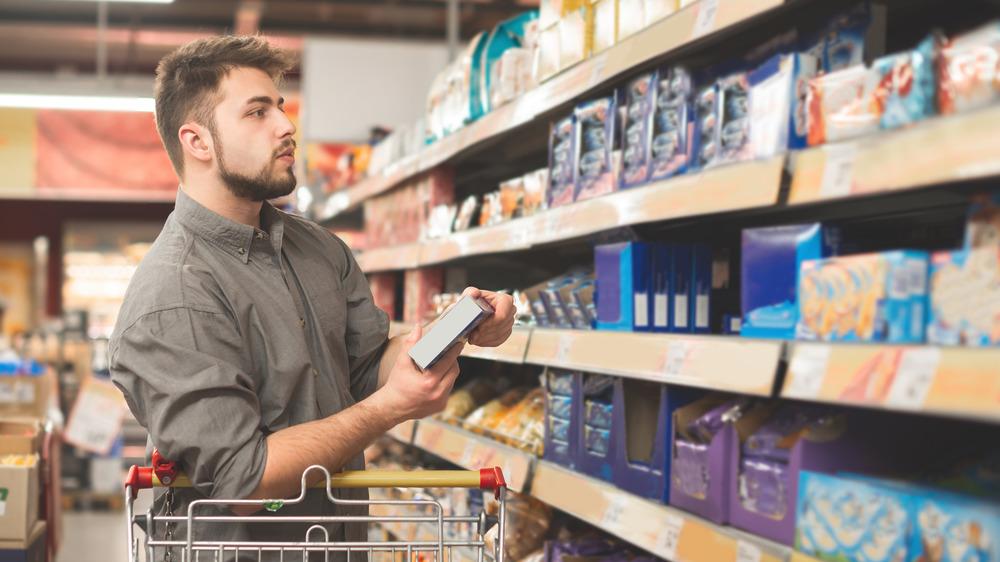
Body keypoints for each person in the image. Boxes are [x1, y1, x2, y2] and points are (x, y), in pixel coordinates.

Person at [108, 35, 515, 559]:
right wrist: (388, 411)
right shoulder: (174, 295)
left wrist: (455, 332)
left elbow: (367, 366)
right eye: (257, 113)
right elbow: (245, 480)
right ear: (197, 142)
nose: (286, 124)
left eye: (279, 106)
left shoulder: (319, 248)